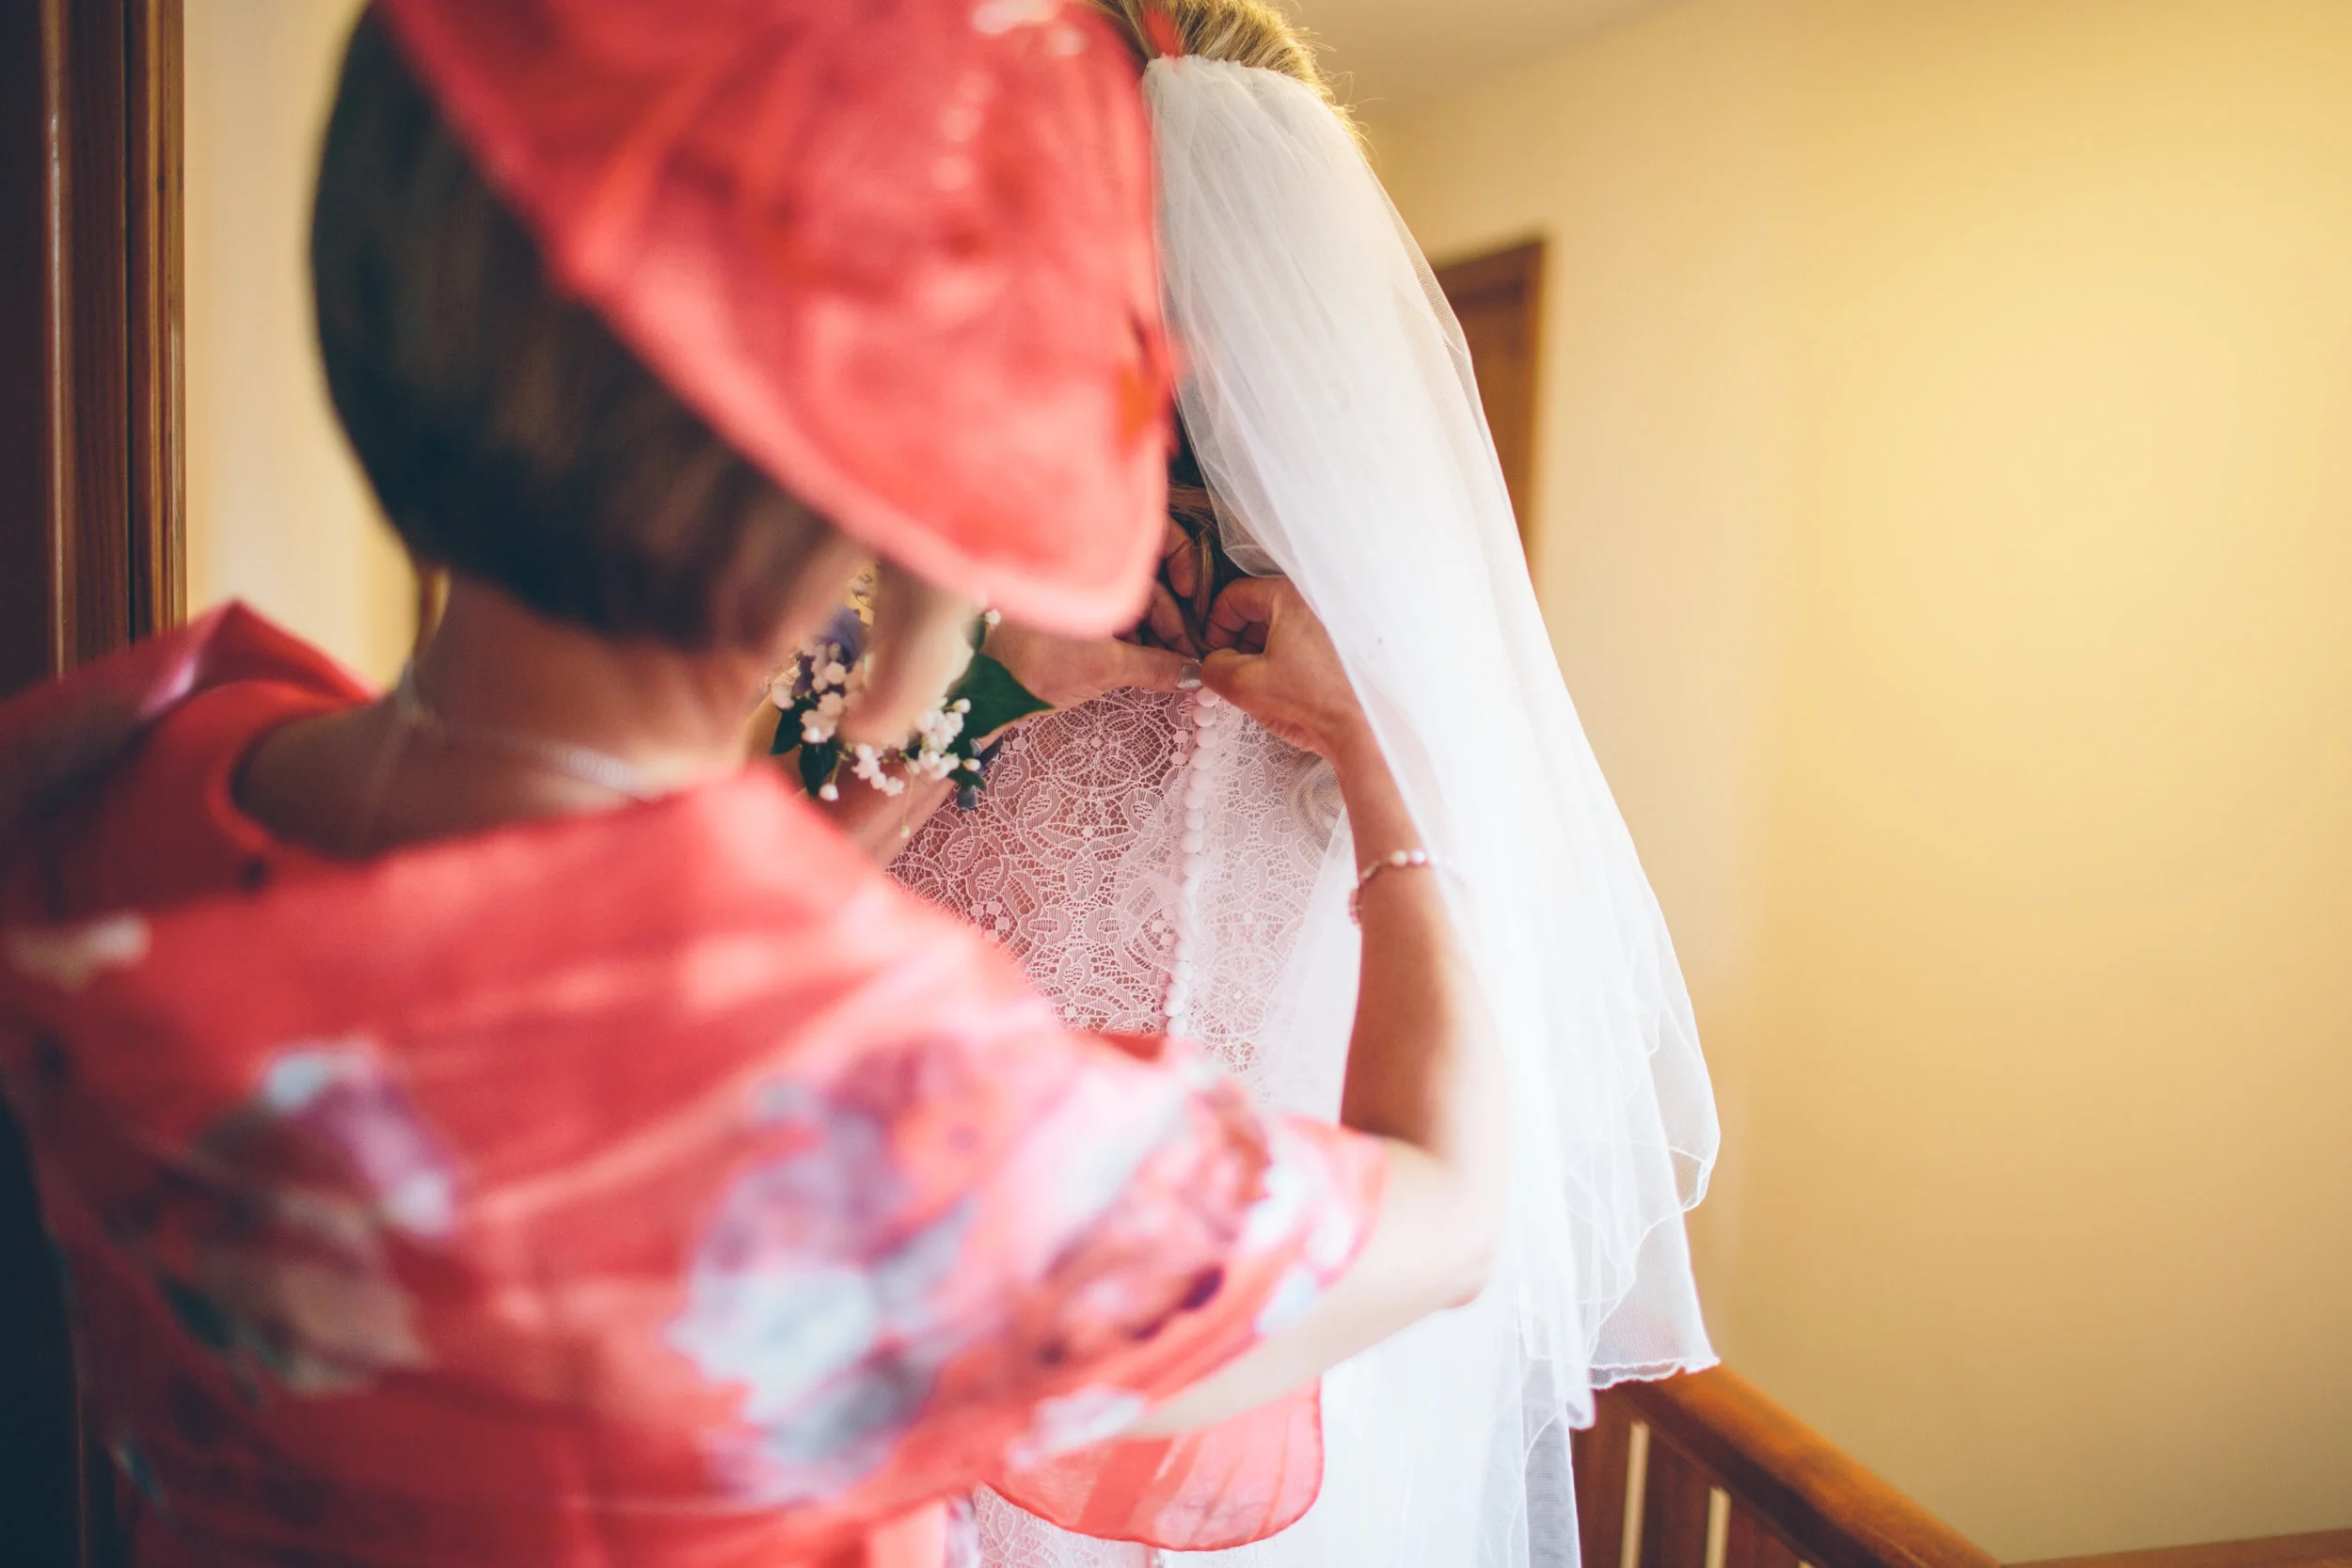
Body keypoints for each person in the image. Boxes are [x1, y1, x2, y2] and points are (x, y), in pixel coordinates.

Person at [0, 3, 1503, 1565]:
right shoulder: (907, 1115)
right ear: (879, 499)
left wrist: (924, 689)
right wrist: (1392, 766)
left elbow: (591, 953)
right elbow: (1446, 1214)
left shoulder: (125, 786)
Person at [884, 4, 1722, 1564]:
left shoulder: (1362, 684)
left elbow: (1452, 1195)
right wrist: (977, 679)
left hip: (1245, 1400)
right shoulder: (925, 601)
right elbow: (763, 872)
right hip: (894, 1371)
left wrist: (1371, 754)